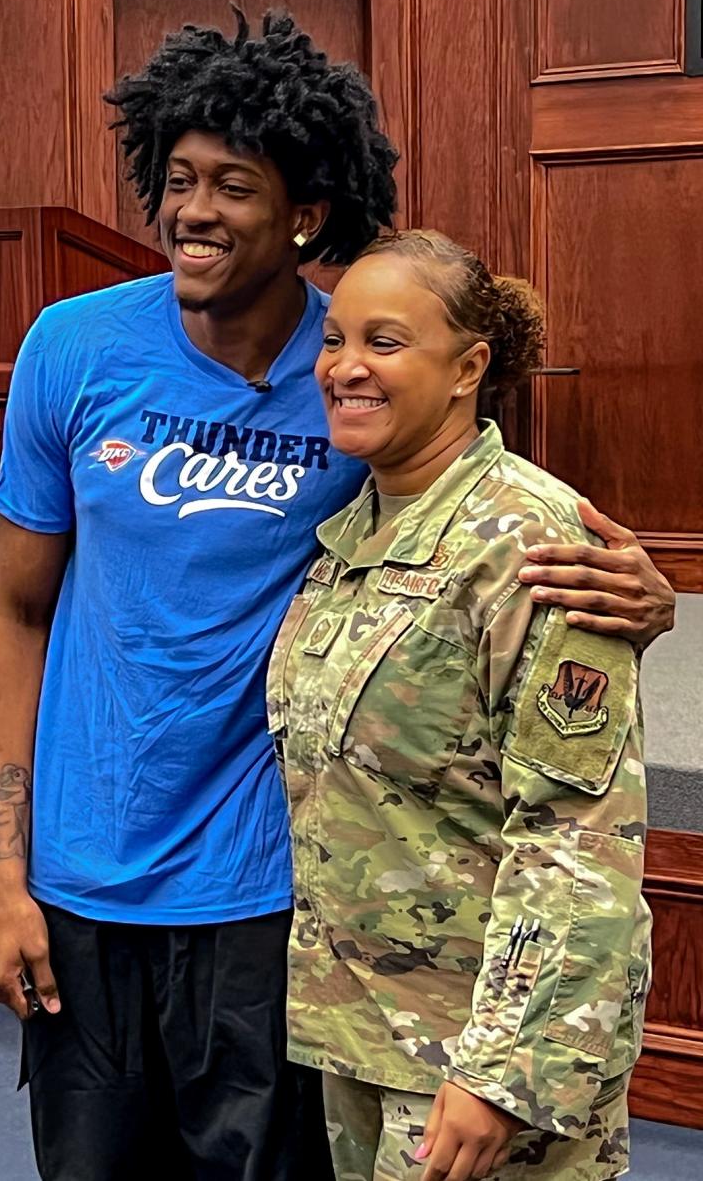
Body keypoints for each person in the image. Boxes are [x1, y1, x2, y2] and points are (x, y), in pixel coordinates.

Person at [0, 10, 672, 1181]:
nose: (193, 212)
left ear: (305, 211)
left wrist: (641, 595)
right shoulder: (74, 347)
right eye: (178, 179)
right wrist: (5, 877)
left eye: (233, 185)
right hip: (82, 877)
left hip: (269, 896)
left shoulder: (356, 381)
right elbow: (17, 609)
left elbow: (487, 518)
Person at [267, 229, 653, 1181]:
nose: (346, 367)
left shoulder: (529, 542)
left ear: (468, 368)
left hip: (480, 1067)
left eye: (385, 343)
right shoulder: (356, 526)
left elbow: (575, 838)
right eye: (335, 339)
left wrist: (501, 1075)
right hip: (367, 1038)